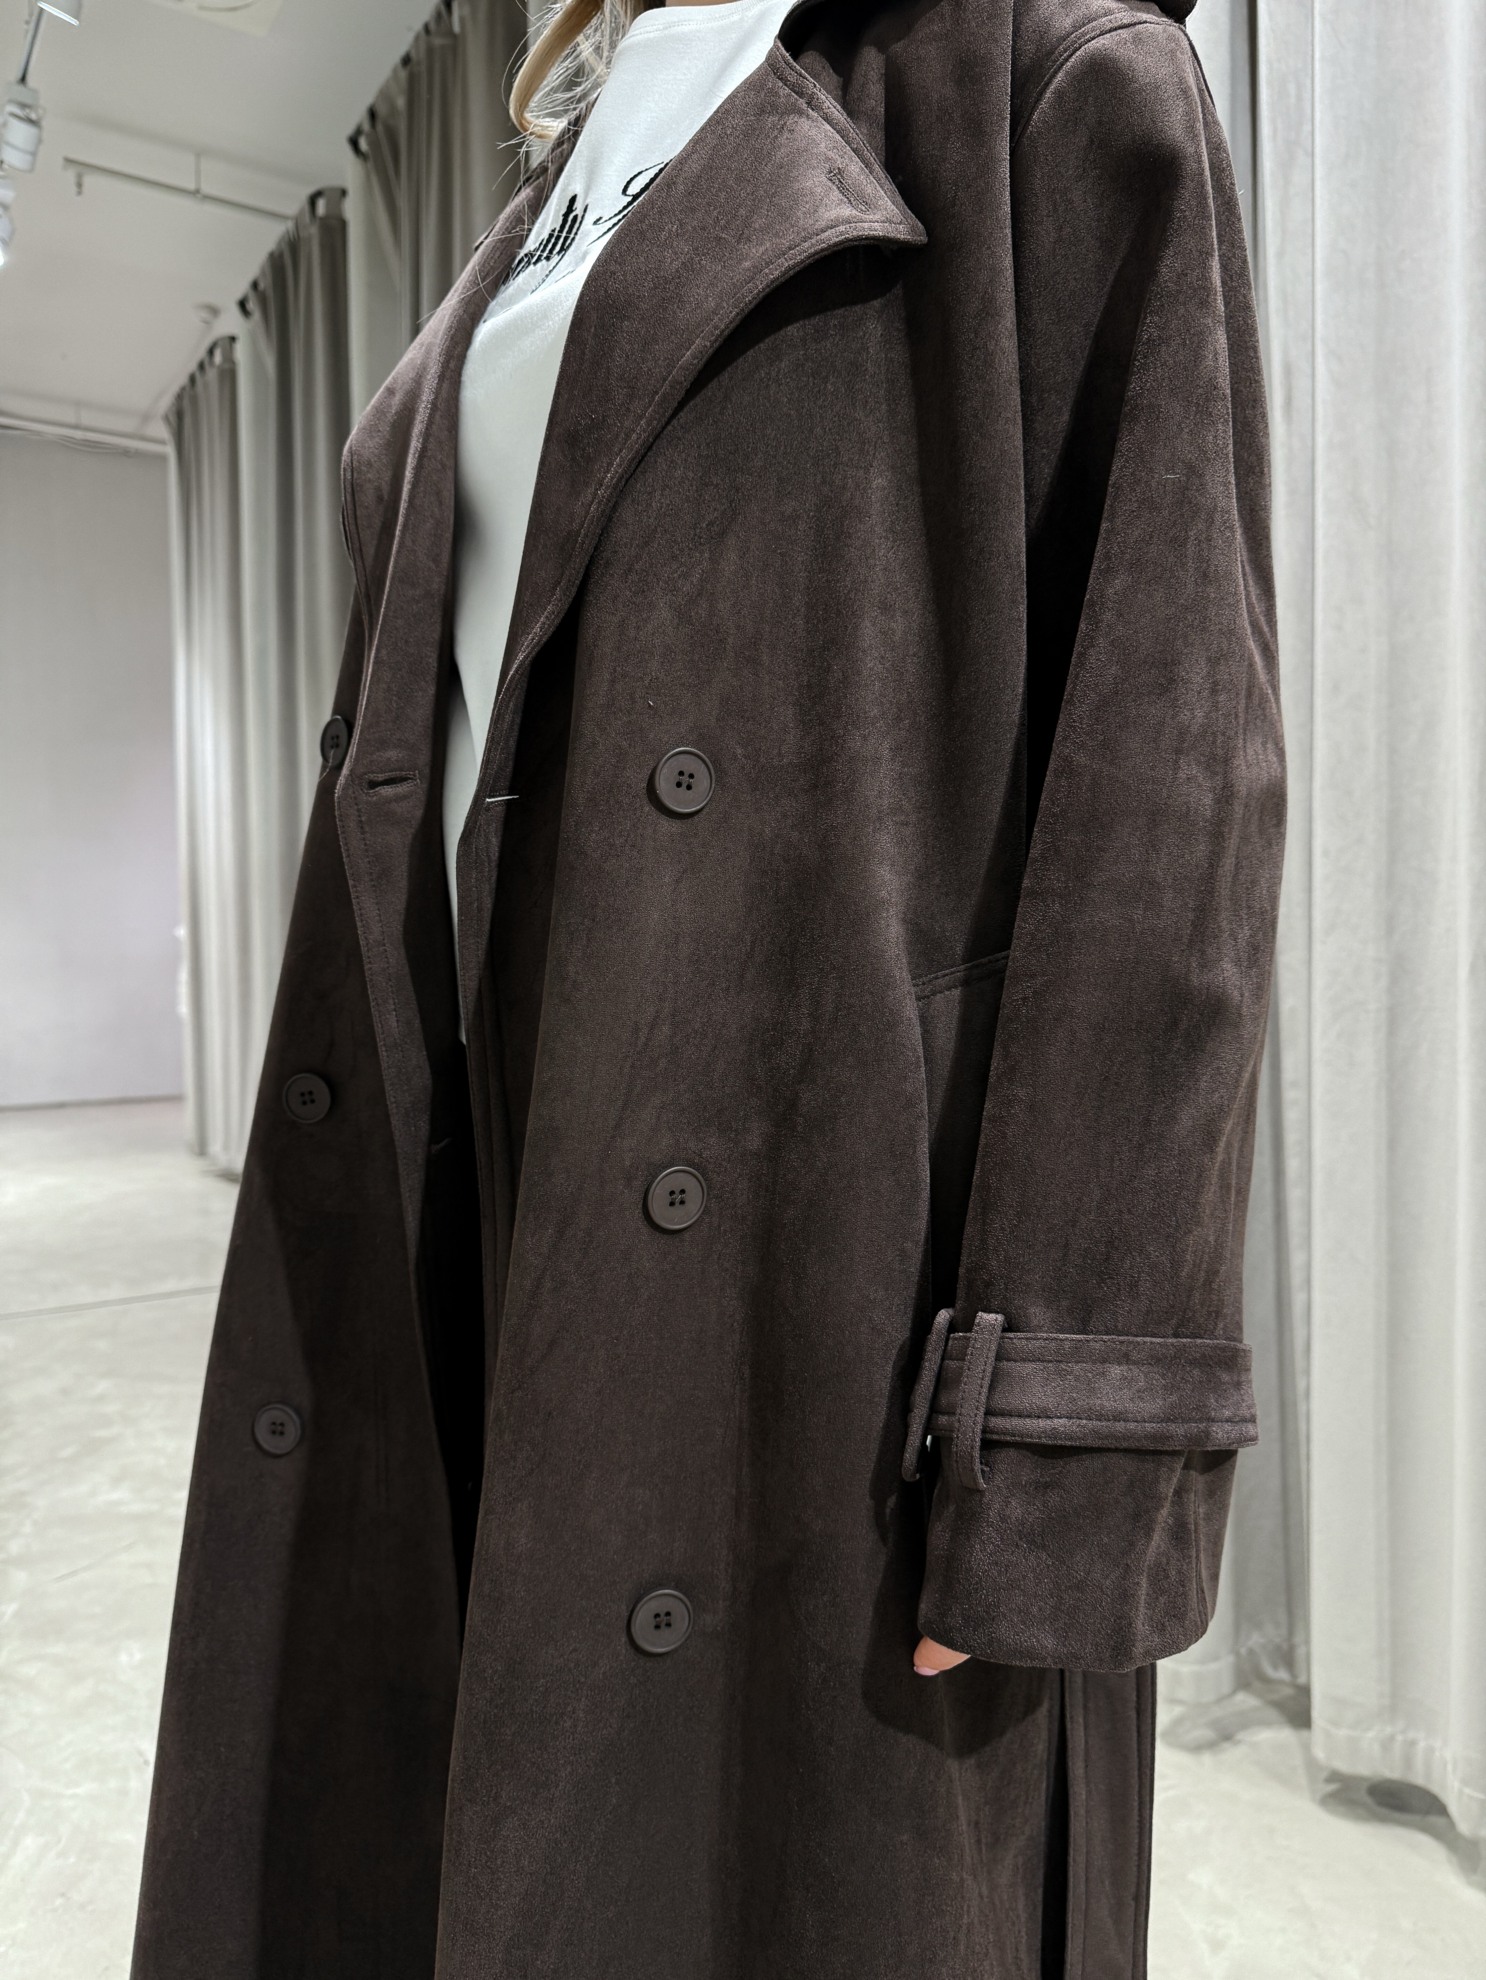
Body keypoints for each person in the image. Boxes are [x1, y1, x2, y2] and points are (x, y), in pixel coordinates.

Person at [132, 0, 1285, 1975]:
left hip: (818, 1290)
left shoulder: (1041, 79)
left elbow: (1169, 798)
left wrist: (1058, 1455)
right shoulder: (570, 163)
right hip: (466, 1184)